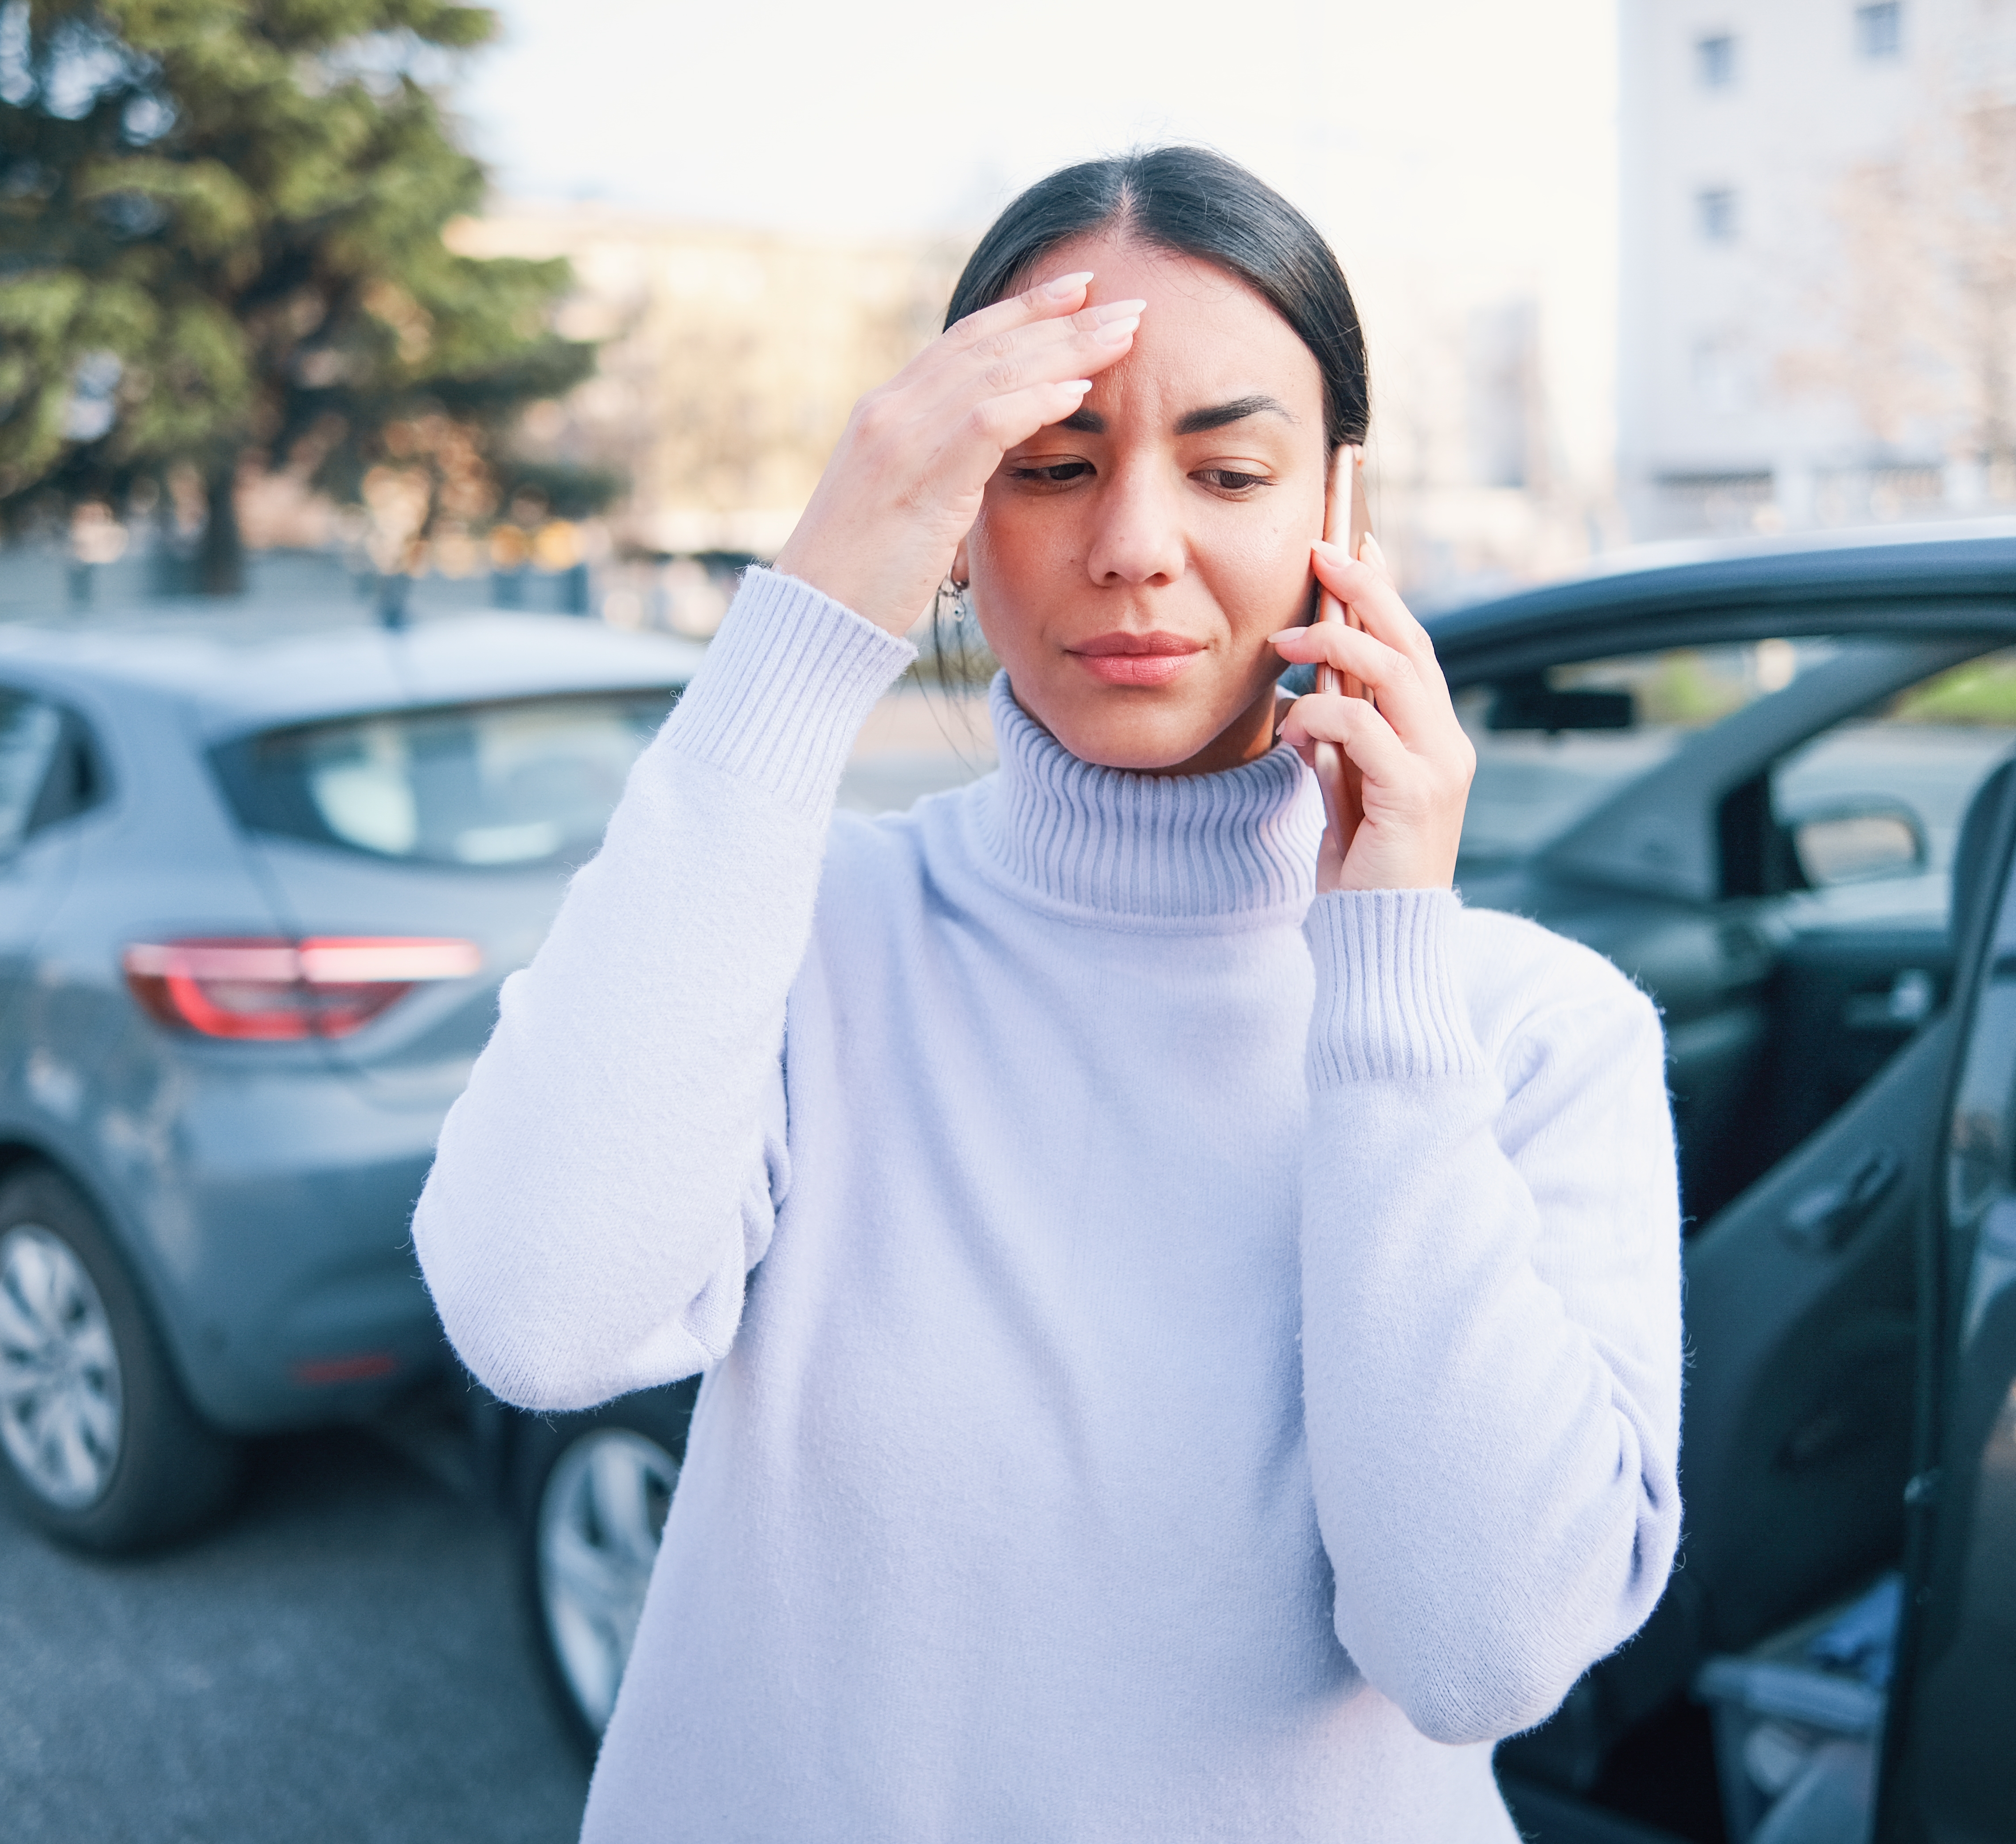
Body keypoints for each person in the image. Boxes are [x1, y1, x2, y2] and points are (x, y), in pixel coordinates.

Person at [413, 146, 1682, 1843]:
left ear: (1341, 514)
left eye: (1230, 471)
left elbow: (1478, 1651)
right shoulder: (802, 932)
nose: (1136, 546)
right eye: (1050, 464)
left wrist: (1385, 980)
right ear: (949, 515)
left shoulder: (1529, 1028)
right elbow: (535, 1313)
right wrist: (806, 622)